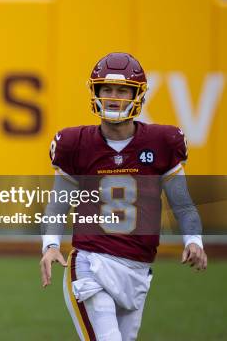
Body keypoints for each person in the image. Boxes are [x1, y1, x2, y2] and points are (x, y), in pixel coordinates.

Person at [39, 52, 207, 341]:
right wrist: (51, 244)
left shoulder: (162, 142)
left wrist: (194, 241)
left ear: (137, 95)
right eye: (107, 89)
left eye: (122, 90)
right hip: (91, 264)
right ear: (96, 93)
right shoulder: (75, 143)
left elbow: (183, 205)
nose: (113, 97)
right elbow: (58, 202)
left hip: (138, 269)